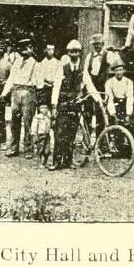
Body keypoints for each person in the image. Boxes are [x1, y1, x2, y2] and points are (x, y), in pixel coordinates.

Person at [48, 39, 89, 170]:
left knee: (72, 134)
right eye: (72, 52)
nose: (74, 54)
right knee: (60, 133)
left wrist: (99, 99)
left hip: (75, 106)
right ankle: (56, 161)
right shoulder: (62, 69)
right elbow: (56, 87)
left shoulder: (83, 70)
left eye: (77, 52)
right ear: (68, 53)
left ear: (80, 53)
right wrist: (54, 106)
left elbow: (89, 85)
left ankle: (69, 160)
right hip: (63, 105)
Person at [2, 39, 39, 158]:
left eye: (28, 48)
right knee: (14, 121)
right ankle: (14, 147)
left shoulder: (36, 64)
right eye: (23, 48)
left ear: (32, 49)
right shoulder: (17, 62)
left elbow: (40, 83)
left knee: (28, 122)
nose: (25, 50)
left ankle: (28, 148)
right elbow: (11, 79)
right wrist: (4, 93)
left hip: (28, 92)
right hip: (16, 93)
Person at [31, 104, 53, 168]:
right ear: (40, 109)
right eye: (43, 108)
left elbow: (50, 125)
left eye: (46, 108)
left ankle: (45, 162)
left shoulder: (48, 117)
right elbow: (34, 126)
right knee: (40, 149)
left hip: (47, 135)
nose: (44, 110)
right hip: (40, 135)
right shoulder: (37, 117)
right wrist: (34, 134)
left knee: (47, 150)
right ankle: (39, 162)